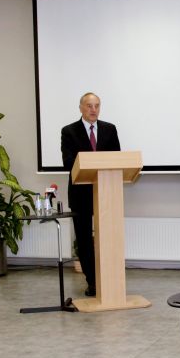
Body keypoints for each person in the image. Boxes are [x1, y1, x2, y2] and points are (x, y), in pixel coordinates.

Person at [61, 92, 121, 297]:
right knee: (85, 240)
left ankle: (110, 279)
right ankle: (93, 281)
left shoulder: (109, 129)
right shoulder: (69, 131)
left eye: (97, 105)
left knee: (109, 236)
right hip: (81, 193)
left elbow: (116, 159)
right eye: (89, 105)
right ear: (81, 108)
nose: (93, 109)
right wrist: (90, 162)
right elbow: (68, 163)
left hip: (106, 191)